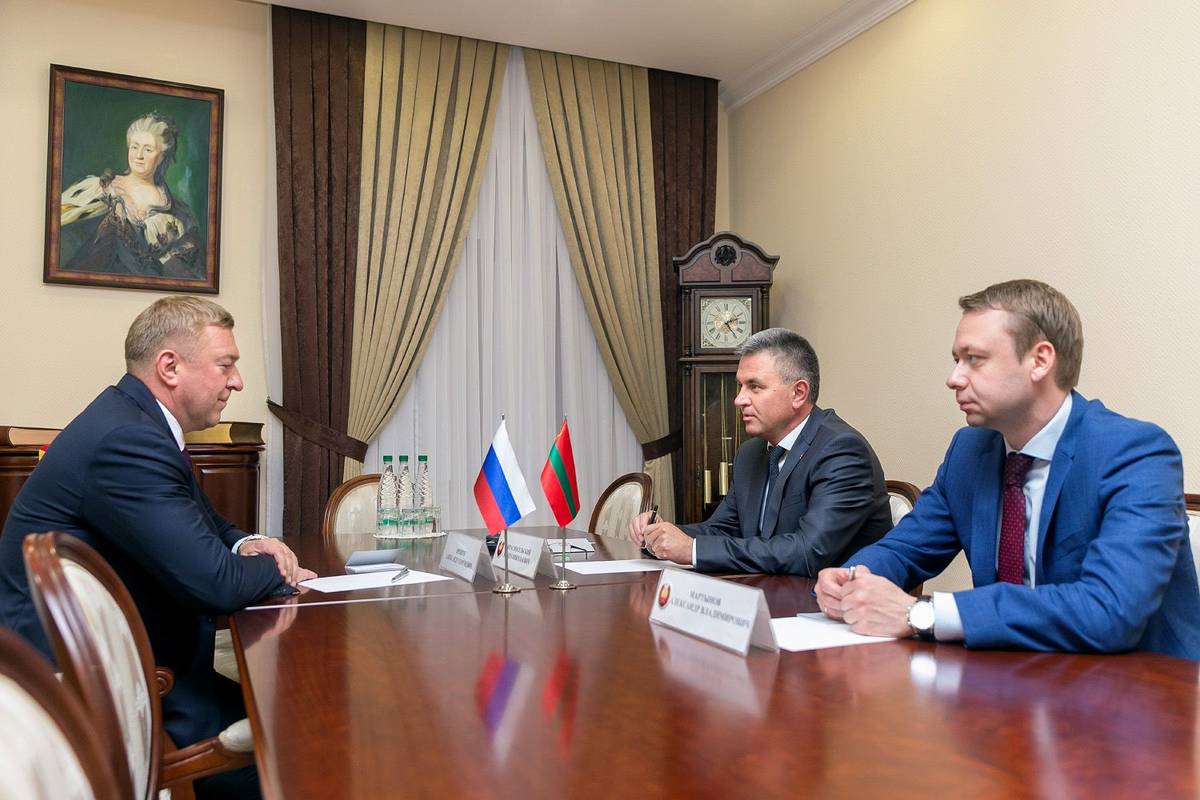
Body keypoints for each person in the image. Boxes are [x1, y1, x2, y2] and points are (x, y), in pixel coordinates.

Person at [0, 296, 315, 798]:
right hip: (84, 687)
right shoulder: (129, 440)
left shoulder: (135, 422)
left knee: (293, 717)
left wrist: (252, 542)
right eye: (226, 365)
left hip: (132, 658)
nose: (237, 382)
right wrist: (282, 569)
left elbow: (209, 523)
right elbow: (215, 584)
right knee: (307, 751)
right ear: (170, 367)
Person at [816, 279, 1200, 659]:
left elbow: (1109, 609)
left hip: (1137, 686)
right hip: (1010, 676)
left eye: (974, 359)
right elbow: (905, 549)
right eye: (956, 360)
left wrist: (922, 613)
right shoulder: (970, 450)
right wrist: (852, 579)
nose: (954, 378)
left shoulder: (1134, 452)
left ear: (1040, 360)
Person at [630, 328, 893, 574]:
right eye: (740, 386)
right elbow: (724, 529)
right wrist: (663, 534)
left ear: (798, 393)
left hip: (830, 601)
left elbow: (807, 552)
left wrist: (692, 550)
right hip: (766, 592)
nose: (739, 399)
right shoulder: (750, 453)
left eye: (754, 387)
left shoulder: (841, 451)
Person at [59, 112, 202, 278]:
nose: (139, 156)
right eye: (134, 147)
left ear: (162, 156)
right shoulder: (100, 190)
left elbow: (188, 276)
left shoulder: (179, 214)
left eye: (148, 149)